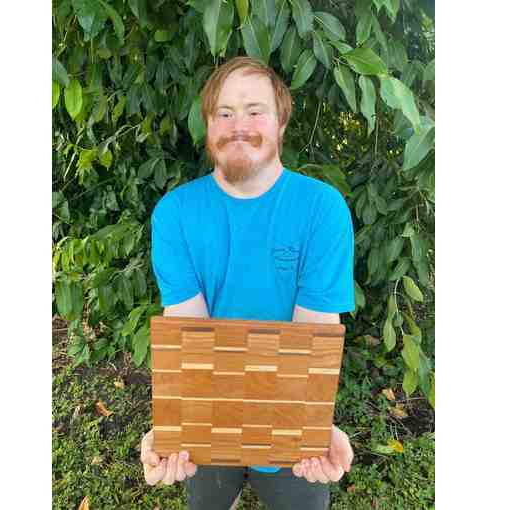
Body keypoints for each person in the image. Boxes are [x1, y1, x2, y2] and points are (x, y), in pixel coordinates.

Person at [141, 56, 355, 510]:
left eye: (255, 111)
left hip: (292, 427)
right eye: (224, 113)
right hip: (208, 424)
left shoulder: (322, 209)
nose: (239, 126)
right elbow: (191, 340)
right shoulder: (174, 214)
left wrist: (315, 426)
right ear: (207, 126)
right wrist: (171, 428)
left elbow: (310, 341)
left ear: (281, 123)